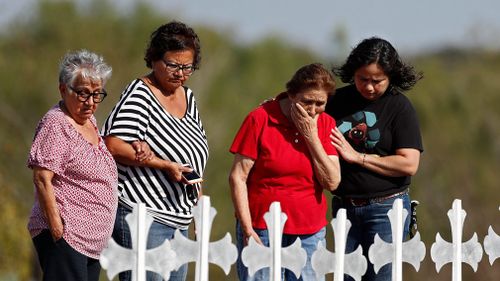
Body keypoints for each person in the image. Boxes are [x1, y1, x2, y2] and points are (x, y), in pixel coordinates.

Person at [101, 21, 208, 281]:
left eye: (187, 67)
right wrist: (162, 165)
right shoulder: (141, 93)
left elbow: (193, 156)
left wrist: (197, 210)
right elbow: (112, 144)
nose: (180, 73)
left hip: (179, 220)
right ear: (154, 59)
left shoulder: (188, 97)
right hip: (145, 217)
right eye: (173, 65)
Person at [229, 63, 341, 281]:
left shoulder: (326, 123)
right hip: (261, 226)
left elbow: (333, 182)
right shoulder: (260, 118)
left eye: (320, 103)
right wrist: (247, 227)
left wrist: (311, 137)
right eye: (307, 101)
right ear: (291, 95)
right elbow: (238, 176)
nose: (312, 110)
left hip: (309, 229)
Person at [326, 37, 424, 281]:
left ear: (391, 76)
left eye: (377, 81)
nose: (369, 87)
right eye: (363, 79)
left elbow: (409, 163)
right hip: (344, 207)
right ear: (353, 73)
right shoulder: (336, 101)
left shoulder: (399, 106)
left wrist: (358, 157)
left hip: (386, 208)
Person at [27, 49, 117, 281]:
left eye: (97, 95)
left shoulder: (90, 121)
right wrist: (58, 230)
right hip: (67, 237)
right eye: (83, 93)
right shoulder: (56, 124)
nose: (90, 102)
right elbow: (42, 178)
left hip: (89, 243)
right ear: (63, 89)